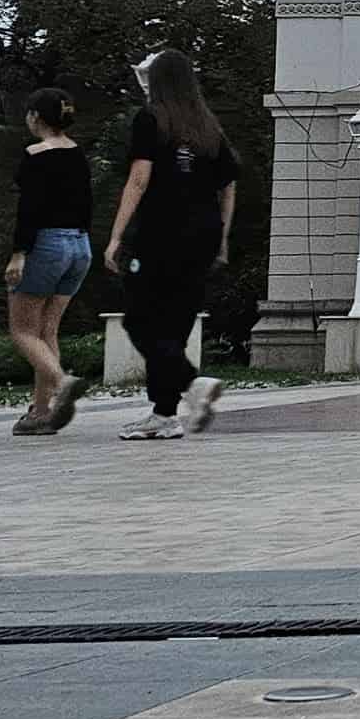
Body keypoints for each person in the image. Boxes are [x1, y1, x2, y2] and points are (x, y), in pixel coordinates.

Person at [103, 50, 237, 441]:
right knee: (175, 321)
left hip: (163, 231)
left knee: (140, 319)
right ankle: (164, 414)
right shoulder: (208, 126)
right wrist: (222, 239)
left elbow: (139, 179)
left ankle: (191, 383)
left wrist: (115, 237)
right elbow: (228, 185)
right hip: (204, 233)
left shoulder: (151, 119)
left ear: (157, 82)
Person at [5, 88, 92, 436]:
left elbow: (30, 211)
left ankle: (62, 382)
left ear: (35, 117)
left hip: (47, 245)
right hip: (79, 246)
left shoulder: (35, 155)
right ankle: (41, 412)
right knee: (46, 331)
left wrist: (18, 253)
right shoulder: (77, 154)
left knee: (22, 330)